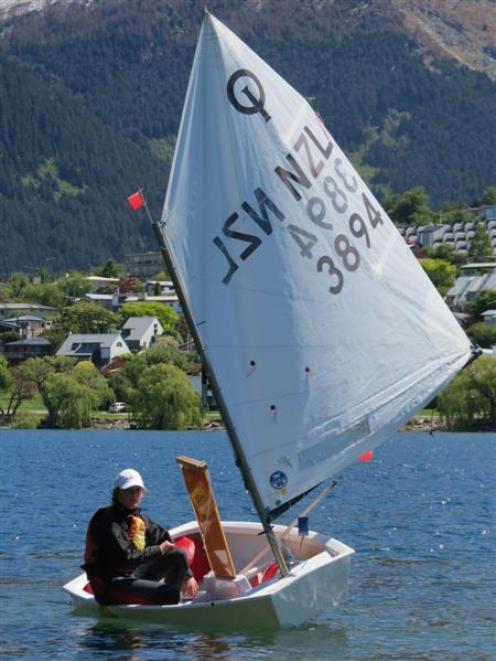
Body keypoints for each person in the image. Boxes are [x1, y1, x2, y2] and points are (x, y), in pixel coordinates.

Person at [83, 468, 198, 605]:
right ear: (117, 492)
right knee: (168, 593)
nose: (134, 495)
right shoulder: (108, 522)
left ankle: (171, 598)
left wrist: (188, 575)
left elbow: (165, 540)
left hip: (133, 576)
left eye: (138, 490)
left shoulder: (139, 520)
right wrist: (158, 549)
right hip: (111, 585)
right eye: (129, 490)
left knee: (178, 554)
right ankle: (169, 598)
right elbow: (127, 557)